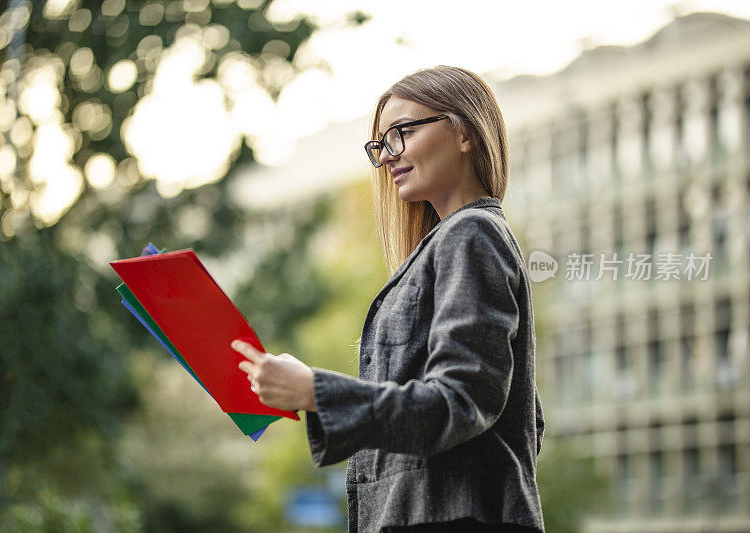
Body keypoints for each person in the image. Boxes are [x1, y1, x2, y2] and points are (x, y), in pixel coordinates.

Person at [233, 65, 545, 533]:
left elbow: (462, 401)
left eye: (402, 133)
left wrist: (315, 391)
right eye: (380, 145)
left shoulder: (471, 234)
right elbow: (525, 419)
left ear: (464, 133)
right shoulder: (451, 242)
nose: (386, 157)